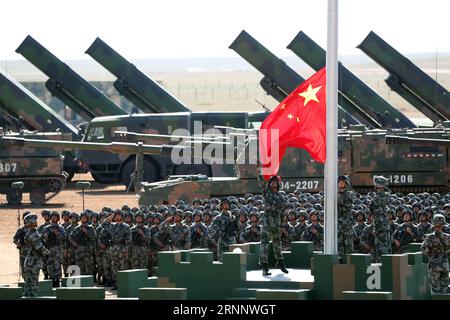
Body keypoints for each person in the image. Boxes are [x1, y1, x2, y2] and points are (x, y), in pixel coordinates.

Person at [257, 172, 288, 276]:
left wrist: (283, 223)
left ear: (278, 185)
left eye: (275, 182)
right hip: (267, 222)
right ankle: (264, 267)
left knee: (277, 243)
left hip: (276, 222)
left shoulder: (281, 196)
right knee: (264, 244)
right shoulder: (266, 192)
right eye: (272, 182)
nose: (273, 184)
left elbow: (283, 209)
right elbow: (261, 182)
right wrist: (259, 171)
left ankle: (280, 263)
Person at [22, 214, 50, 297]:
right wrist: (48, 254)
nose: (36, 222)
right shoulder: (33, 233)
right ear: (31, 222)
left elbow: (35, 240)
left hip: (30, 261)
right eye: (34, 220)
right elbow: (39, 247)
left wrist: (41, 237)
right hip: (33, 262)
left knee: (29, 284)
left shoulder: (32, 232)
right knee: (33, 285)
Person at [421, 214, 450, 294]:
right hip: (445, 264)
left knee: (435, 289)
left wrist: (431, 255)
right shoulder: (447, 237)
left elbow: (423, 250)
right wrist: (446, 254)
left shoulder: (430, 237)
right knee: (445, 289)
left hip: (434, 265)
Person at [370, 176, 391, 262]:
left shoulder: (377, 199)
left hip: (380, 230)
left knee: (380, 253)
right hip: (386, 228)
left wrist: (379, 230)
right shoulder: (385, 196)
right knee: (387, 251)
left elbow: (379, 216)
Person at [109, 210, 132, 290]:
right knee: (114, 266)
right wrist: (110, 217)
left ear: (122, 216)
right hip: (114, 248)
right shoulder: (112, 225)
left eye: (119, 215)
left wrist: (127, 251)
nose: (117, 217)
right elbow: (103, 224)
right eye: (116, 215)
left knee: (123, 266)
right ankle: (116, 284)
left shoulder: (126, 226)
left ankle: (123, 284)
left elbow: (129, 240)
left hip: (122, 248)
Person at [41, 211, 65, 287]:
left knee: (57, 266)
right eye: (52, 217)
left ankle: (57, 281)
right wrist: (45, 236)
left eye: (55, 217)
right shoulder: (46, 228)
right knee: (50, 267)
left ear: (58, 218)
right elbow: (42, 239)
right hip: (49, 250)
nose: (53, 218)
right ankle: (51, 281)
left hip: (57, 251)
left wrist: (57, 233)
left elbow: (64, 238)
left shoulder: (61, 228)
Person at [69, 211, 96, 277]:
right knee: (80, 270)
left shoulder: (90, 228)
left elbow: (94, 237)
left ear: (87, 218)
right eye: (82, 217)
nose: (83, 219)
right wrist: (74, 243)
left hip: (87, 252)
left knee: (88, 269)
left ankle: (89, 285)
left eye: (85, 217)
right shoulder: (77, 228)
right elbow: (70, 237)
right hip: (78, 252)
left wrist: (86, 231)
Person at [337, 175, 355, 259]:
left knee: (348, 245)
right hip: (338, 224)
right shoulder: (335, 194)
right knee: (338, 244)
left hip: (346, 224)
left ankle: (350, 263)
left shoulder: (350, 194)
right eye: (339, 182)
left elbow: (346, 204)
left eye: (342, 182)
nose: (340, 183)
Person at [13, 211, 32, 280]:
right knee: (23, 268)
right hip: (23, 252)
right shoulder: (21, 229)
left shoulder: (33, 229)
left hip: (31, 252)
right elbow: (15, 239)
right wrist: (18, 243)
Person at [37, 210, 51, 280]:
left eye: (47, 215)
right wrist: (42, 236)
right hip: (43, 248)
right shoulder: (40, 227)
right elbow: (37, 236)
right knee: (44, 264)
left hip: (52, 248)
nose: (46, 216)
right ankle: (45, 276)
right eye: (44, 215)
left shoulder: (53, 226)